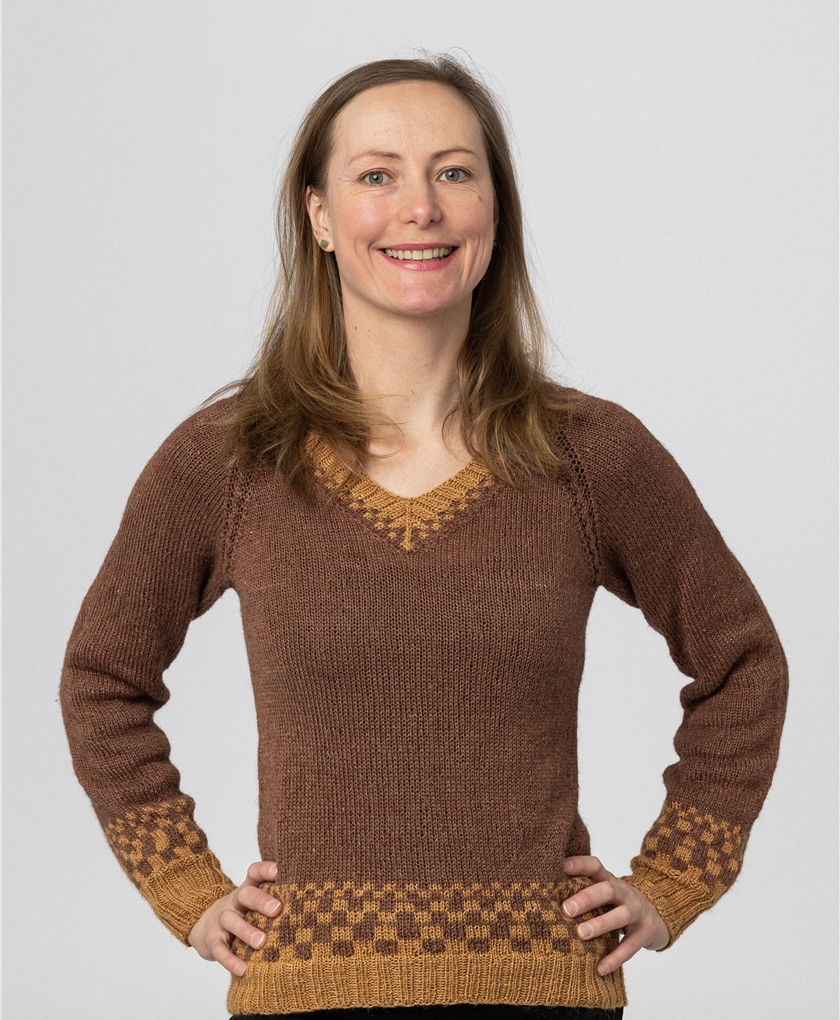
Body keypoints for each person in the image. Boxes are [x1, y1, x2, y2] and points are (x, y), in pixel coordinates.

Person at [60, 55, 788, 1020]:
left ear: (495, 210)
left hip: (544, 993)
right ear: (319, 215)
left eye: (454, 172)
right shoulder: (231, 458)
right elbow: (101, 677)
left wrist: (676, 879)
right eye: (377, 174)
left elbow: (744, 662)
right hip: (305, 996)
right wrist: (185, 891)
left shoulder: (590, 454)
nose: (421, 208)